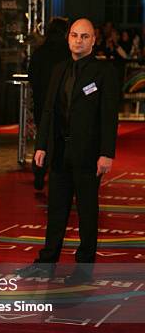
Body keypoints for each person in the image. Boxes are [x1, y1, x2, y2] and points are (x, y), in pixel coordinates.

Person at [17, 18, 120, 285]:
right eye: (74, 35)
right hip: (60, 153)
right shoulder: (59, 69)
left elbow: (109, 116)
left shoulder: (103, 72)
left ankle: (84, 269)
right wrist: (41, 146)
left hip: (89, 155)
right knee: (56, 210)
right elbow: (49, 111)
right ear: (68, 38)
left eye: (84, 36)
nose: (78, 40)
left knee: (87, 213)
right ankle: (46, 262)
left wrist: (107, 152)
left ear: (93, 40)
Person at [28, 17, 70, 190]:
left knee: (42, 139)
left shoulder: (40, 52)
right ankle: (60, 177)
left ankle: (39, 173)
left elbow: (32, 76)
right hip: (63, 105)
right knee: (62, 141)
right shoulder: (67, 53)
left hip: (41, 102)